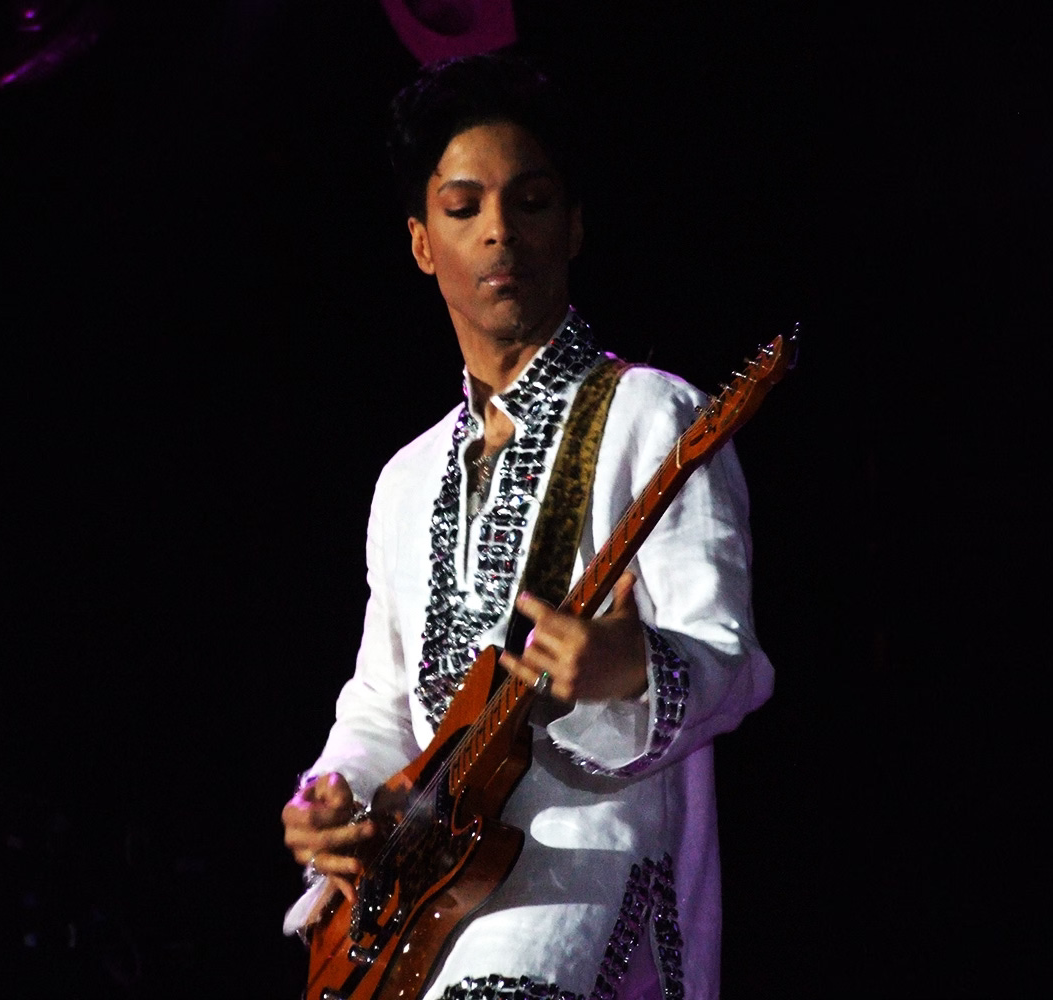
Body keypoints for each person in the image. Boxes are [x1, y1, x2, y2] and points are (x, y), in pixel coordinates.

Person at [281, 52, 774, 1000]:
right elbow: (382, 706)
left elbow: (731, 656)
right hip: (430, 892)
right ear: (423, 243)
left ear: (575, 225)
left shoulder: (655, 414)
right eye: (464, 209)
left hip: (596, 857)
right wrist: (327, 800)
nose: (500, 231)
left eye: (532, 202)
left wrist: (625, 665)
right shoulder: (407, 478)